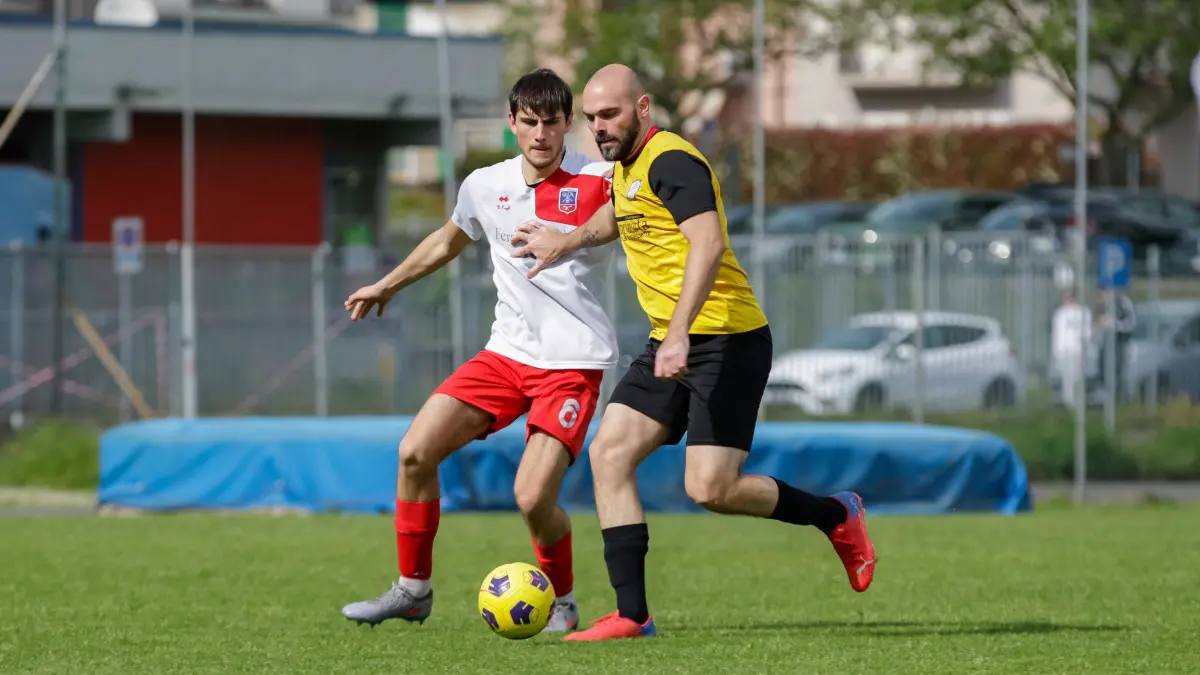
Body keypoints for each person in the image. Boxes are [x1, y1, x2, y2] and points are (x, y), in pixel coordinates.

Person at [510, 63, 876, 642]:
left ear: (644, 107)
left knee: (711, 489)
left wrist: (679, 331)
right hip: (673, 340)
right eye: (592, 118)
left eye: (611, 114)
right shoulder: (626, 169)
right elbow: (621, 215)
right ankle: (632, 616)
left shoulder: (672, 160)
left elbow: (707, 243)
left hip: (727, 337)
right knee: (609, 455)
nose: (600, 127)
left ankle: (838, 515)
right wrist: (567, 239)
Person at [339, 68, 618, 633]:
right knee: (415, 452)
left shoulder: (601, 179)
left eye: (553, 123)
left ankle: (562, 601)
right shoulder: (484, 185)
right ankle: (413, 591)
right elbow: (448, 239)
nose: (541, 134)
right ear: (512, 122)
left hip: (571, 363)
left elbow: (630, 219)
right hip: (505, 356)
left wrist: (573, 237)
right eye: (530, 122)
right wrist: (386, 284)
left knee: (531, 496)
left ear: (569, 123)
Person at [1051, 288, 1092, 408]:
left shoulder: (1083, 312)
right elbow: (1057, 333)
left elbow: (1086, 331)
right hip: (1064, 350)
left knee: (1077, 376)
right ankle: (1069, 401)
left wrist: (1085, 346)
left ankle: (1078, 400)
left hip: (1078, 350)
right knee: (1066, 377)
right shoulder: (1060, 314)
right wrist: (1057, 350)